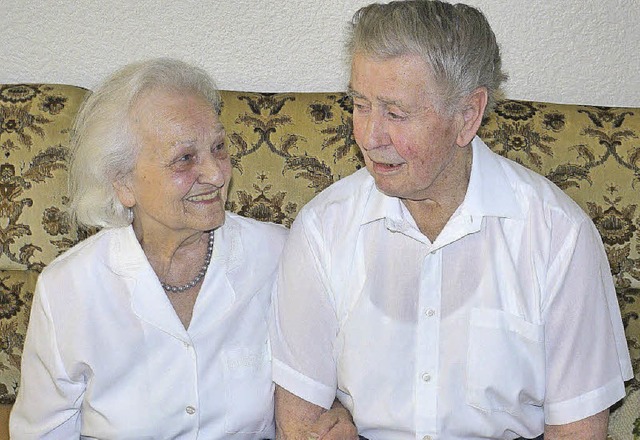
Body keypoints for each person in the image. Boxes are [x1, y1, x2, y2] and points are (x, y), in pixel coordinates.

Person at [271, 1, 633, 439]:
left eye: (396, 113)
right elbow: (301, 418)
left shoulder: (558, 235)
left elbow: (578, 431)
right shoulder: (322, 230)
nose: (369, 136)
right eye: (360, 104)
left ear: (467, 116)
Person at [9, 58, 352, 439]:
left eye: (219, 148)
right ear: (122, 183)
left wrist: (334, 416)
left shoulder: (280, 256)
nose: (217, 174)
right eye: (185, 158)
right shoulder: (68, 288)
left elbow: (330, 382)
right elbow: (42, 432)